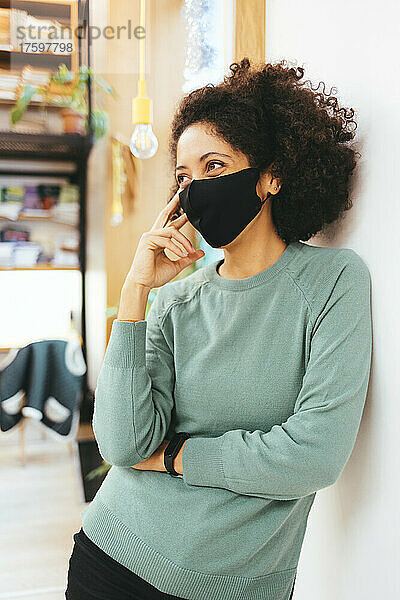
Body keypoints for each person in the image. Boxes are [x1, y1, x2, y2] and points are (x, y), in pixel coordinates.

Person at [65, 58, 372, 600]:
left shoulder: (332, 281)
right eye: (183, 178)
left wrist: (178, 456)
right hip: (112, 555)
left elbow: (314, 456)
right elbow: (121, 442)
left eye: (214, 166)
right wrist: (137, 291)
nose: (196, 189)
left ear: (272, 175)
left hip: (233, 585)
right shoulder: (175, 299)